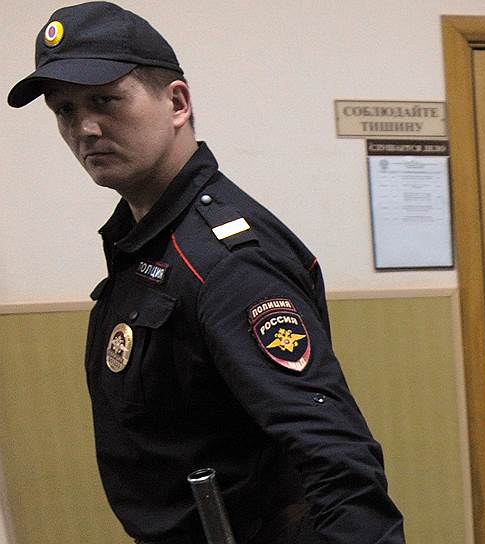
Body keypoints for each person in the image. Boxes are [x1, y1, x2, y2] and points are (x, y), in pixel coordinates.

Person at [7, 3, 405, 543]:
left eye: (105, 100)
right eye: (65, 110)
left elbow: (337, 459)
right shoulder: (146, 240)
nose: (85, 127)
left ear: (177, 102)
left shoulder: (228, 261)